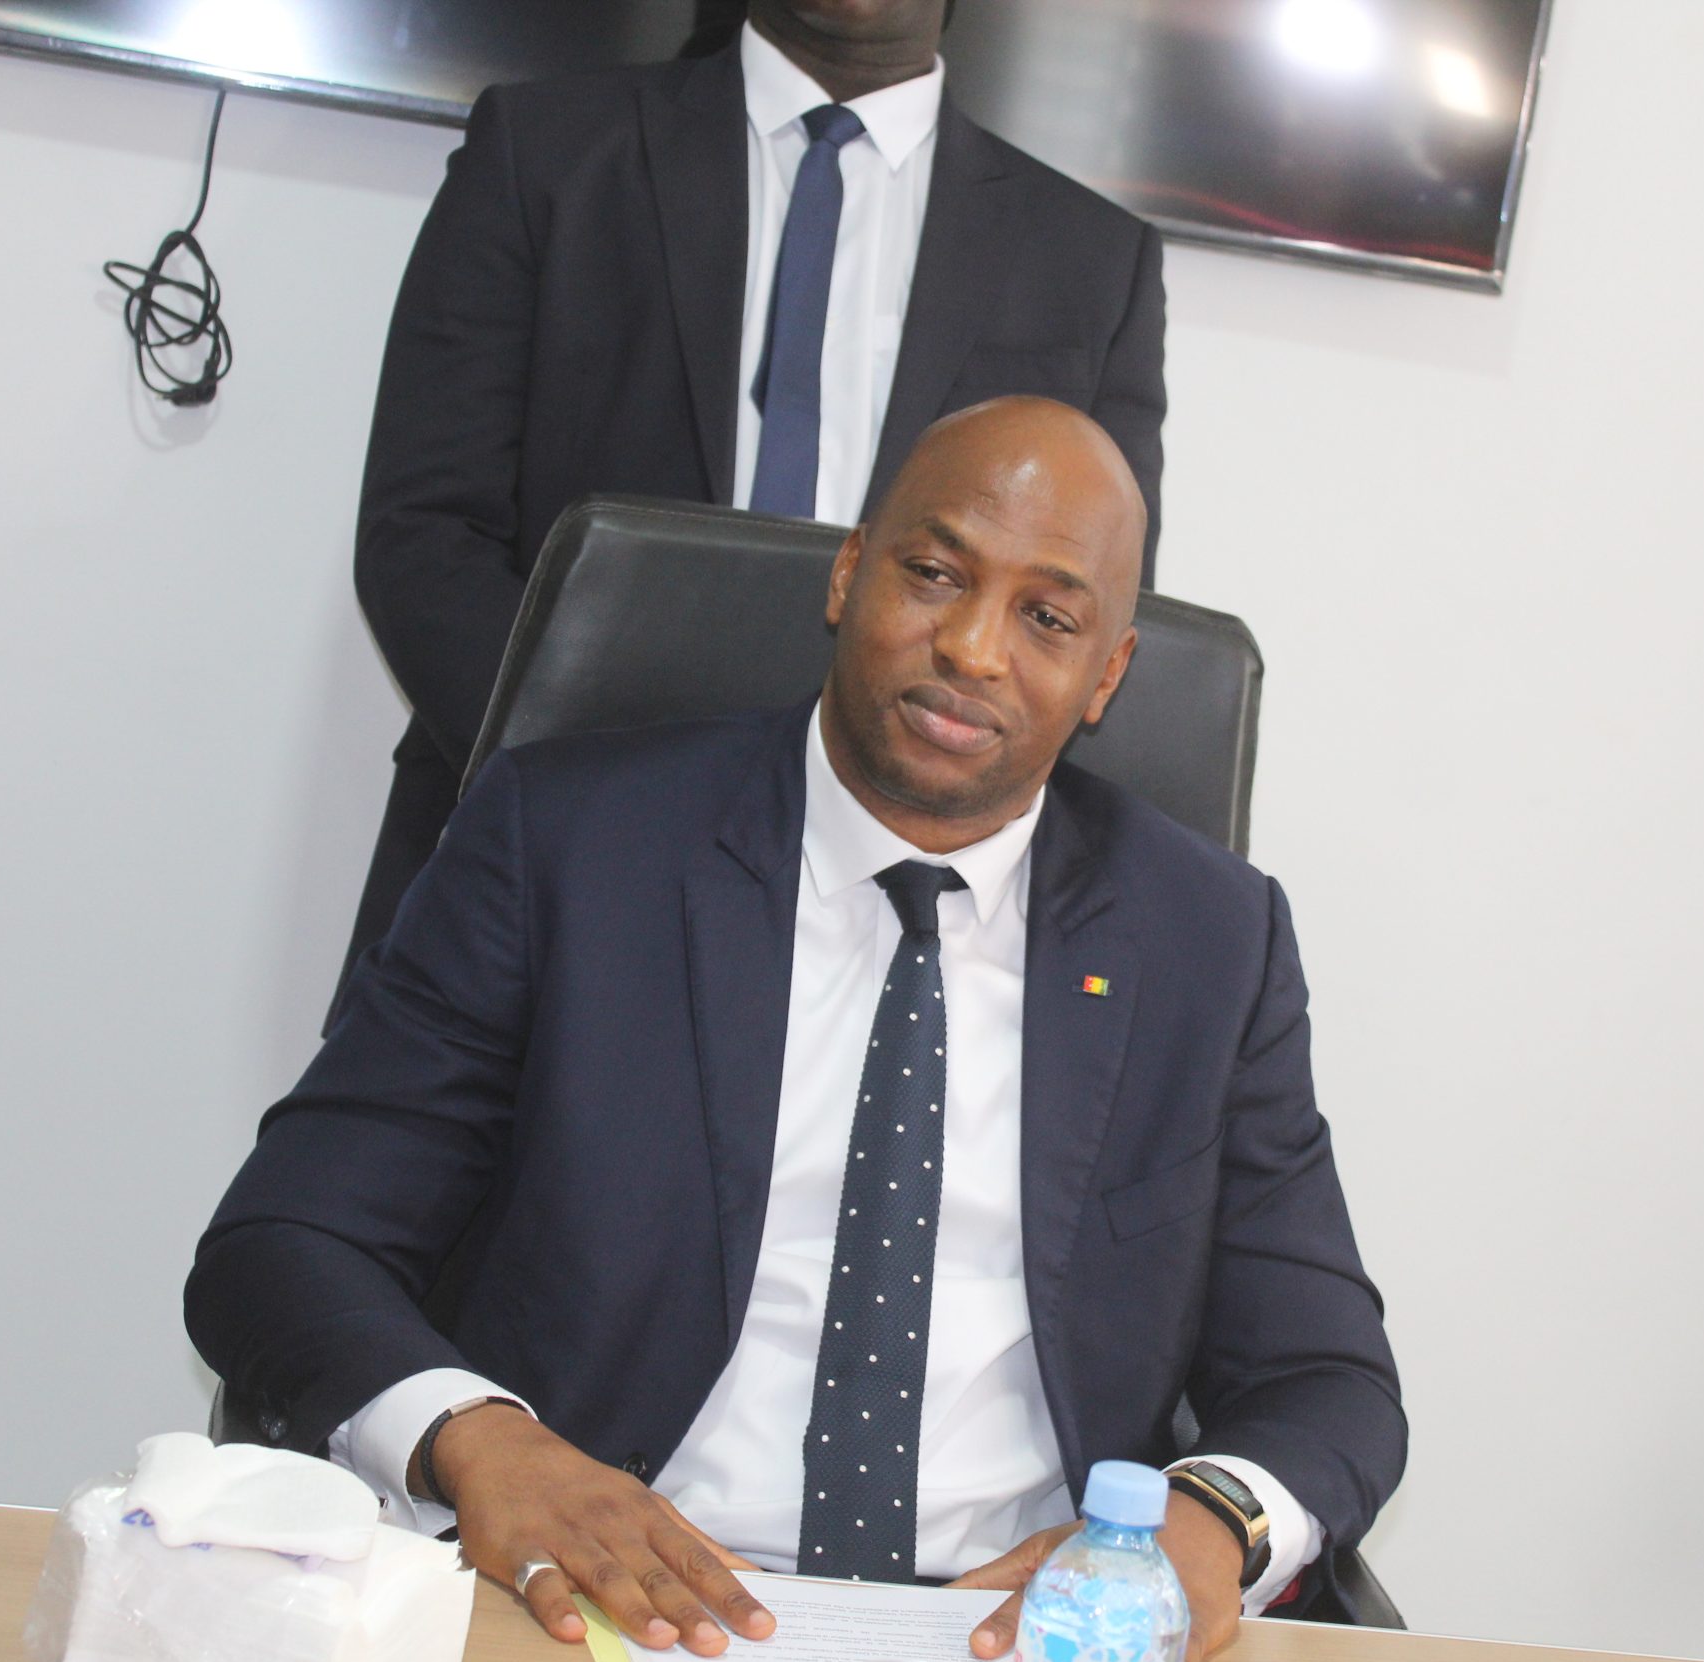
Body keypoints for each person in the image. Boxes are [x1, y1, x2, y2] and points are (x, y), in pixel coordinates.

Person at [193, 399, 1396, 1662]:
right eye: (932, 573)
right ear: (848, 572)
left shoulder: (1207, 940)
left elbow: (1327, 1379)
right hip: (608, 1611)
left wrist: (1204, 1524)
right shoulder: (570, 847)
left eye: (1049, 618)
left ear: (1108, 676)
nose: (973, 648)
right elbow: (285, 1243)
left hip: (1008, 1648)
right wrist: (481, 1440)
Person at [340, 0, 1168, 1012]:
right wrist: (607, 816)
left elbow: (1080, 614)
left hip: (888, 925)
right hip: (532, 887)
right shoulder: (544, 150)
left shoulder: (1093, 258)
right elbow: (423, 539)